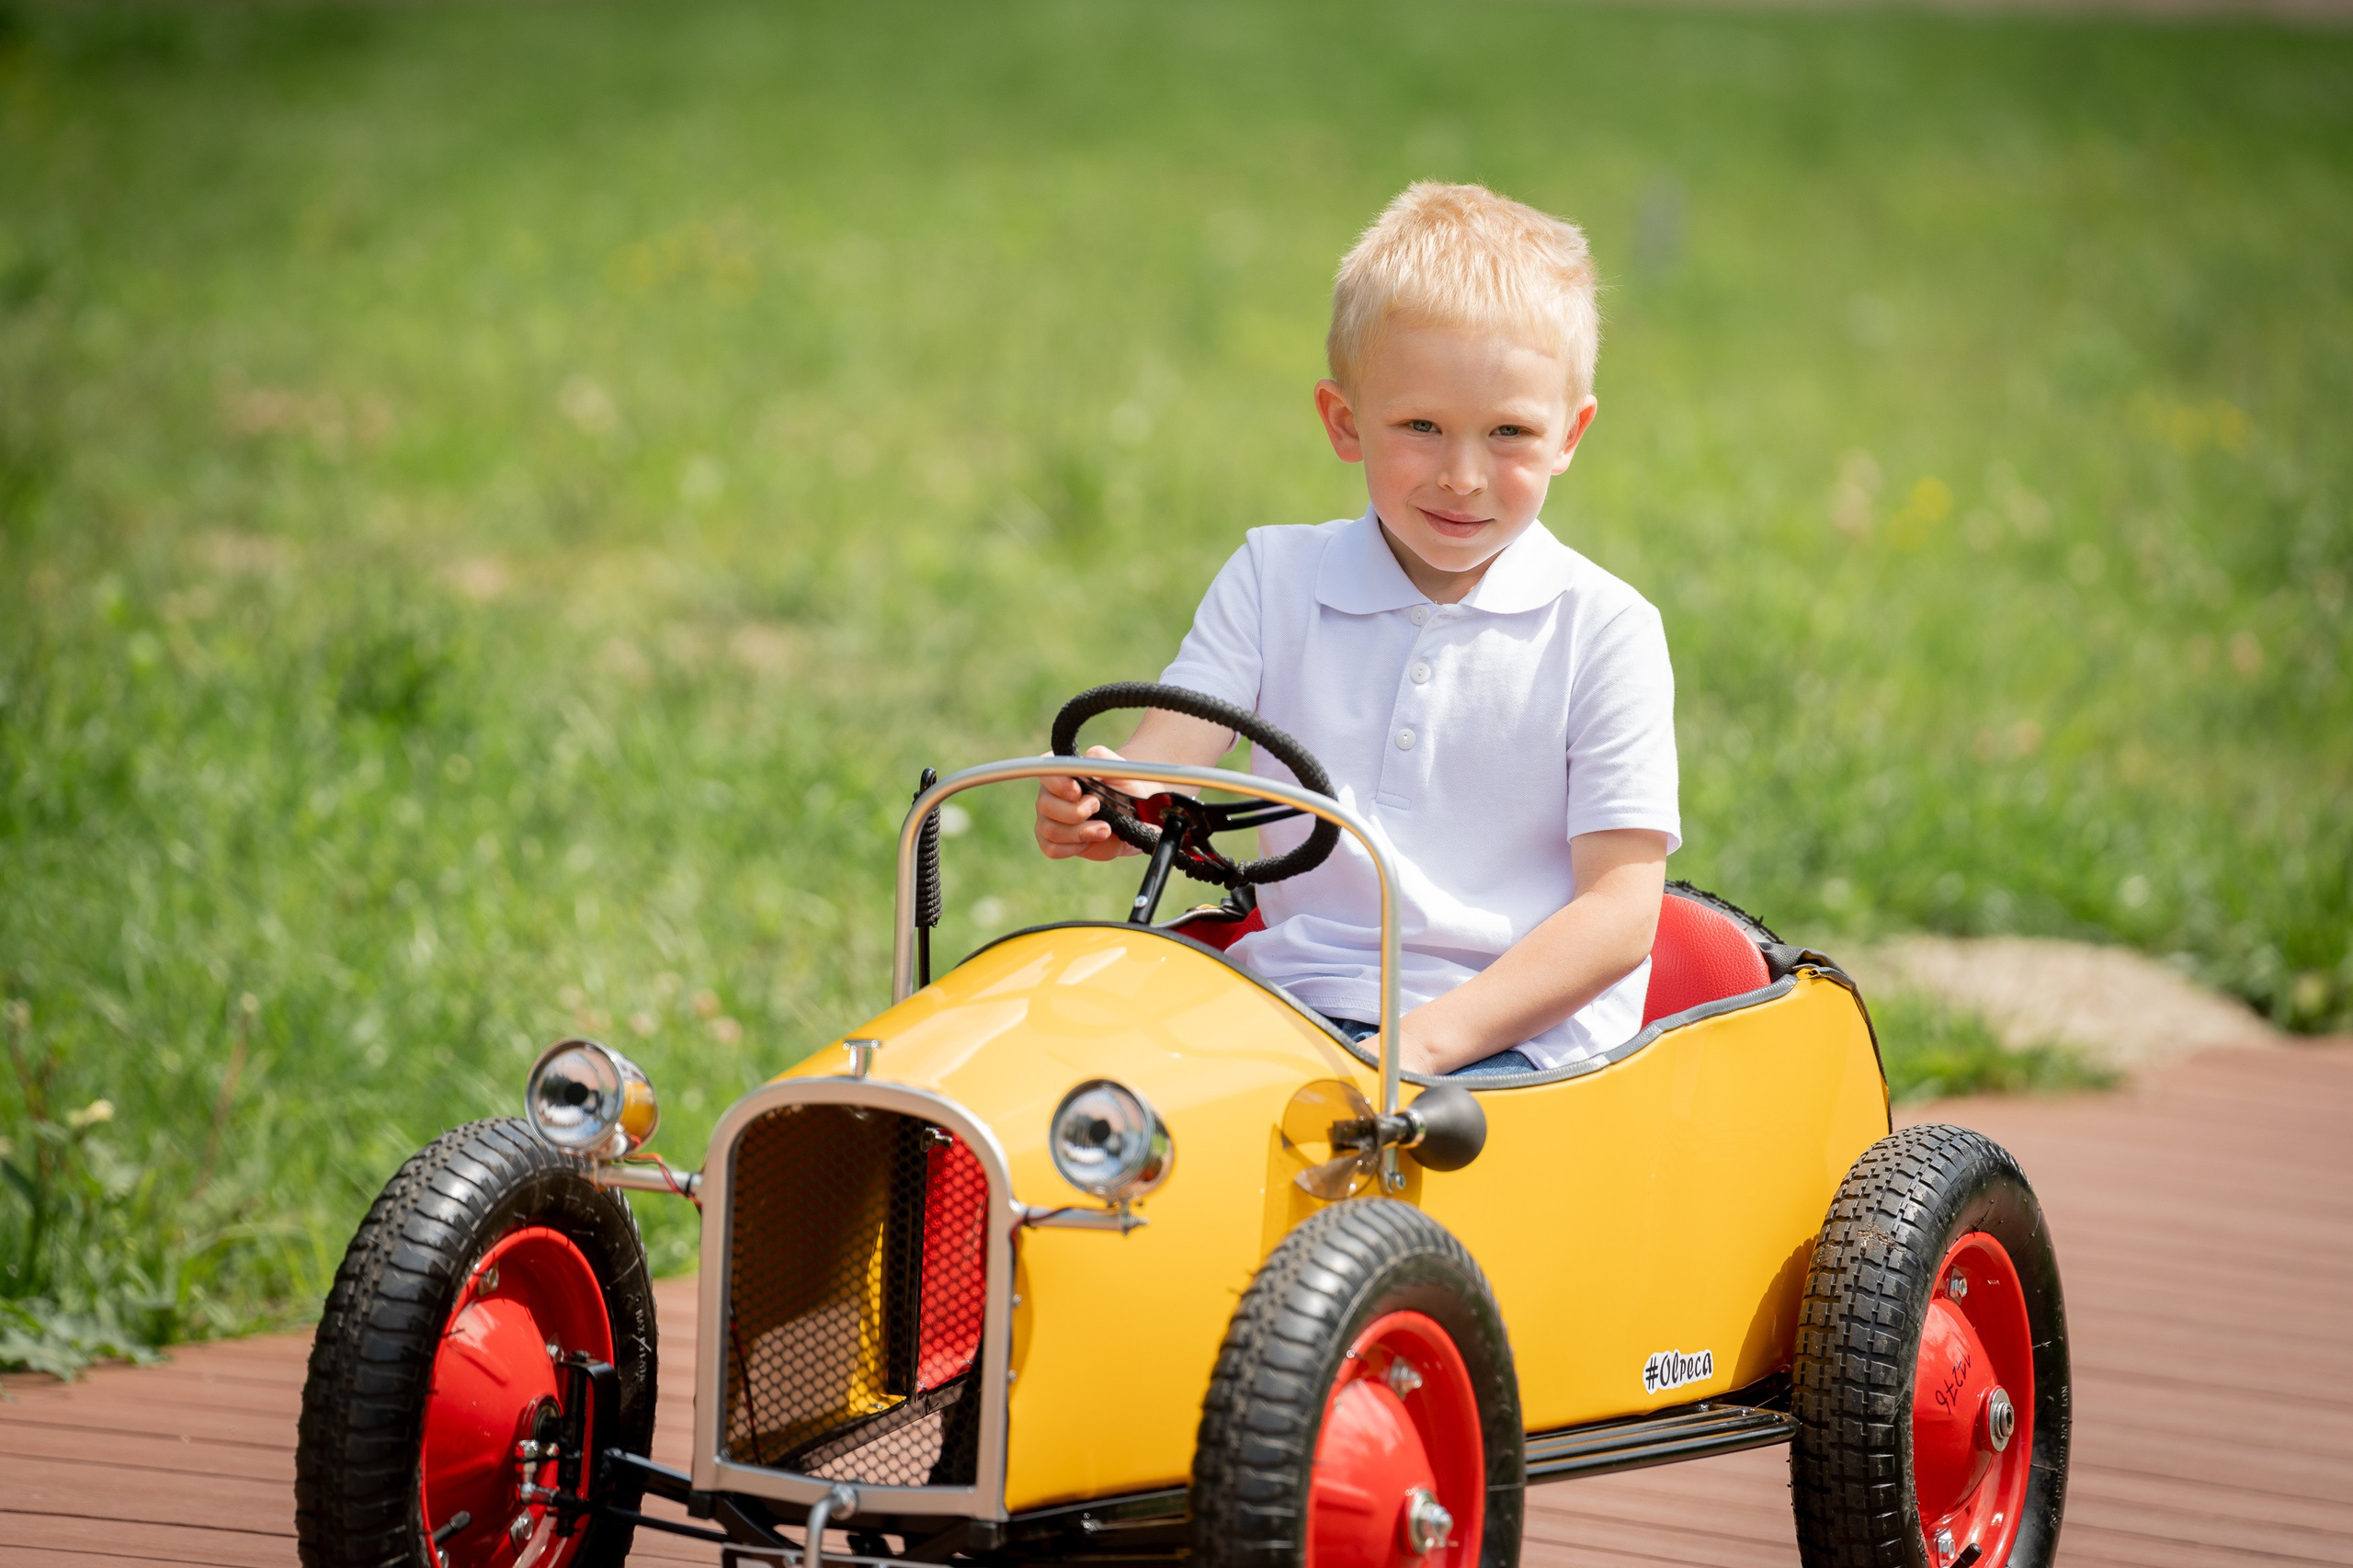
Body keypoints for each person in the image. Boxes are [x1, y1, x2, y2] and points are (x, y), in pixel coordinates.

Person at [1033, 182, 1679, 1079]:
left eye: (1508, 433)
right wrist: (1114, 795)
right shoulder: (1274, 577)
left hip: (1514, 1037)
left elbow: (1618, 913)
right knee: (1084, 1075)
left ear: (1569, 434)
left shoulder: (1603, 630)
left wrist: (1424, 1043)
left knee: (1348, 1143)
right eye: (1420, 426)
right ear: (1344, 422)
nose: (1462, 475)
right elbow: (1171, 741)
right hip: (1298, 996)